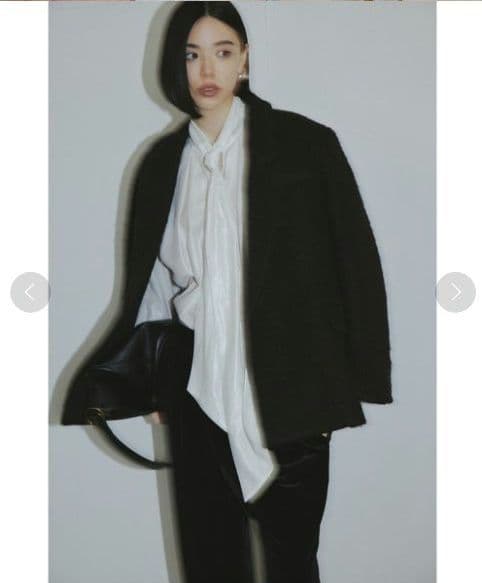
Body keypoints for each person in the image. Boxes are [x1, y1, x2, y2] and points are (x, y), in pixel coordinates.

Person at [66, 2, 393, 582]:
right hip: (195, 387)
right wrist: (154, 381)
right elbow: (155, 283)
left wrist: (354, 379)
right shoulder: (162, 164)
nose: (206, 69)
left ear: (245, 59)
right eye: (191, 54)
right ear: (175, 65)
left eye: (222, 51)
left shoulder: (304, 145)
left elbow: (357, 266)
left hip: (291, 387)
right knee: (209, 562)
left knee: (292, 561)